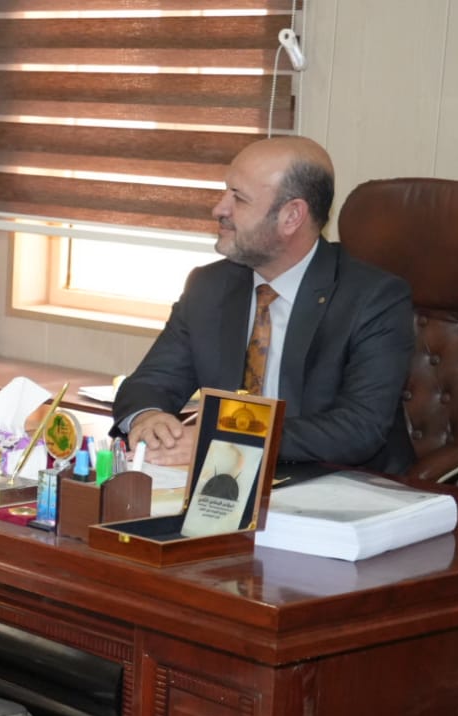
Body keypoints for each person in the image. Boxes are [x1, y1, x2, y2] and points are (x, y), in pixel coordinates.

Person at [112, 136, 415, 474]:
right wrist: (149, 417)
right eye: (225, 192)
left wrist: (225, 438)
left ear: (291, 216)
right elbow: (150, 383)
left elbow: (358, 428)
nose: (219, 209)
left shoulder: (374, 298)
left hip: (339, 481)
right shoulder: (209, 286)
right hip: (229, 478)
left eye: (238, 198)